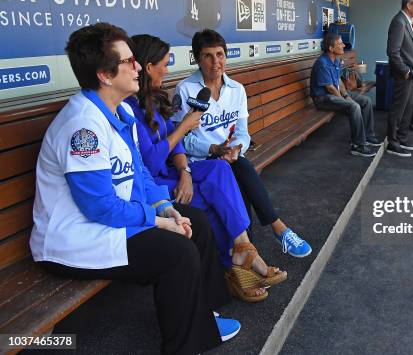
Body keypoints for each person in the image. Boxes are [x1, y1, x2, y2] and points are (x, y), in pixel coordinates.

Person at [29, 23, 240, 354]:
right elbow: (100, 208)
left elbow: (140, 172)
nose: (138, 66)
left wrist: (164, 207)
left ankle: (202, 311)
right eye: (129, 61)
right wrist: (158, 222)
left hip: (108, 222)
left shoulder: (119, 110)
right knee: (177, 253)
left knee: (194, 221)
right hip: (75, 239)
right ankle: (186, 344)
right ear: (105, 75)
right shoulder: (82, 127)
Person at [127, 34, 287, 303]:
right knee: (214, 201)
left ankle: (242, 249)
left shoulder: (152, 99)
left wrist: (185, 172)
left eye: (220, 55)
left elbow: (174, 148)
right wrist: (185, 127)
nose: (167, 70)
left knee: (222, 171)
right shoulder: (129, 107)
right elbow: (152, 161)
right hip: (151, 184)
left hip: (174, 172)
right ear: (148, 66)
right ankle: (238, 264)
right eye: (163, 65)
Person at [172, 29, 312, 258]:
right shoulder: (186, 89)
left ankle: (250, 252)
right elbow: (181, 138)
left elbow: (243, 133)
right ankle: (277, 229)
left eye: (220, 54)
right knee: (242, 171)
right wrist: (213, 149)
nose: (215, 62)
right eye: (208, 56)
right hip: (200, 161)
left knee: (239, 167)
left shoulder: (236, 89)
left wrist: (237, 149)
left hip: (230, 157)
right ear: (197, 59)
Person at [310, 32, 383, 157]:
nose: (343, 45)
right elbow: (330, 88)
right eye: (340, 44)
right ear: (331, 48)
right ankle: (358, 145)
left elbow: (338, 82)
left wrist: (346, 96)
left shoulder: (336, 60)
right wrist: (346, 100)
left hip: (335, 94)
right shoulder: (322, 63)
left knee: (365, 101)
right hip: (323, 98)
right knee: (354, 106)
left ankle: (368, 136)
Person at [386, 0, 413, 157]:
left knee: (408, 108)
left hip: (412, 75)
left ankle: (401, 138)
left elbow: (412, 48)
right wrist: (405, 71)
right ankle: (392, 143)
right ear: (409, 5)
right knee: (398, 109)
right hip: (404, 76)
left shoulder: (407, 22)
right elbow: (393, 52)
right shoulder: (399, 22)